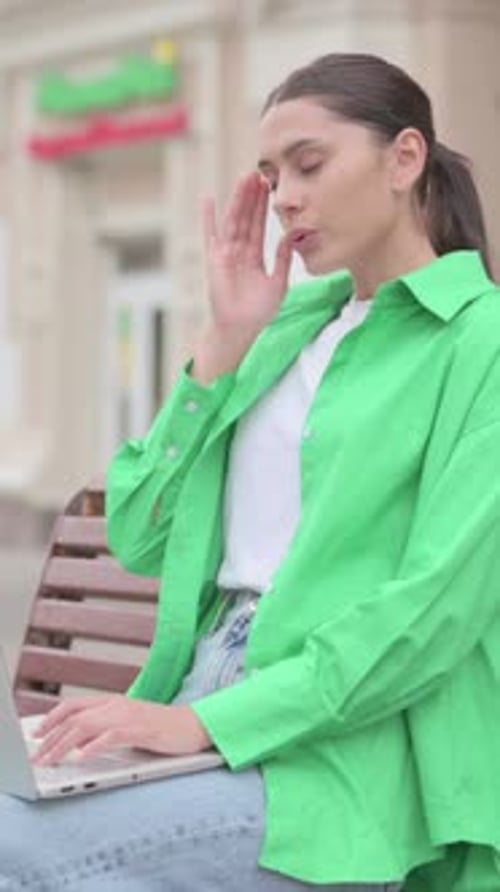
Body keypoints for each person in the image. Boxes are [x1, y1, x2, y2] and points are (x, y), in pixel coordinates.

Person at [1, 52, 499, 892]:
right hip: (197, 697)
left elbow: (429, 616)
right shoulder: (285, 328)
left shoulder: (477, 344)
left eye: (310, 164)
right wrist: (223, 344)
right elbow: (140, 530)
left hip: (340, 759)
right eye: (271, 177)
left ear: (405, 159)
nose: (286, 197)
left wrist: (201, 722)